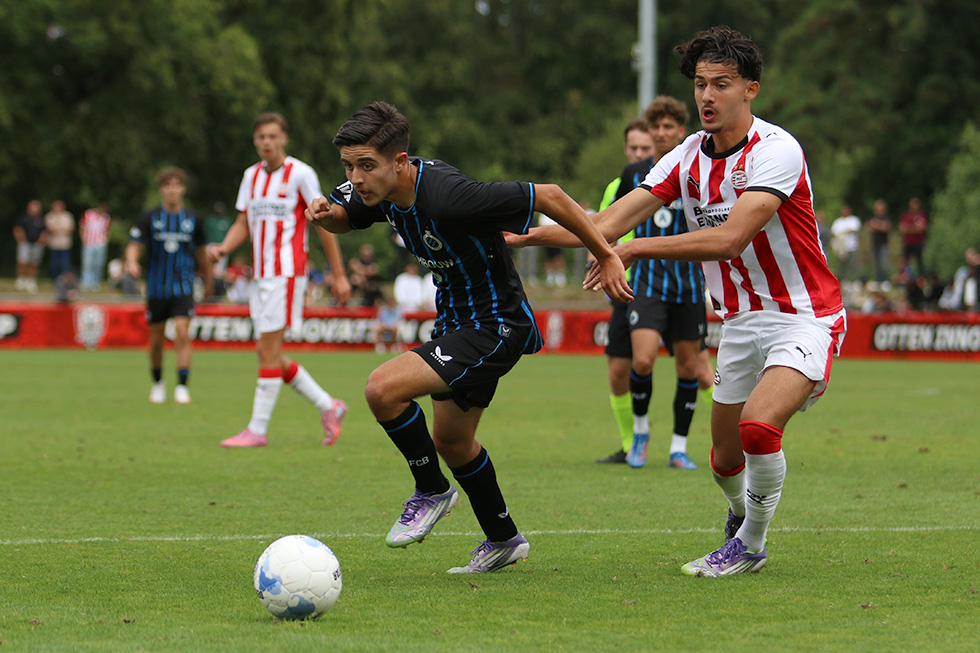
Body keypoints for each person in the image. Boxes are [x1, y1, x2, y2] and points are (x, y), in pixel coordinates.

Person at [512, 26, 845, 577]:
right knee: (723, 460)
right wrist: (524, 233)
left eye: (722, 84)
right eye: (700, 84)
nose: (708, 96)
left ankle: (751, 546)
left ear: (751, 90)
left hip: (804, 317)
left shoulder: (778, 151)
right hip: (739, 322)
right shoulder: (685, 156)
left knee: (759, 428)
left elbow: (729, 238)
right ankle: (740, 516)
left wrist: (633, 248)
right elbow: (605, 225)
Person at [305, 101, 631, 573]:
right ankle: (504, 539)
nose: (354, 178)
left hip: (495, 326)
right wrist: (324, 212)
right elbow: (345, 215)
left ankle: (432, 490)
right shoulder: (380, 189)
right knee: (454, 443)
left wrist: (604, 253)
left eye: (365, 166)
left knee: (382, 389)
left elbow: (553, 196)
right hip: (456, 324)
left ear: (400, 162)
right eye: (348, 167)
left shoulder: (450, 195)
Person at [208, 112, 352, 448]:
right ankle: (329, 405)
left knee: (268, 352)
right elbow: (244, 221)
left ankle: (257, 430)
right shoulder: (250, 176)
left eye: (273, 136)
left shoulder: (301, 173)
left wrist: (339, 274)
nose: (266, 143)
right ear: (255, 141)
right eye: (261, 138)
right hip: (260, 276)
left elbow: (323, 221)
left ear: (284, 138)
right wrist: (224, 248)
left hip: (286, 273)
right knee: (267, 353)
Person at [590, 96, 709, 471]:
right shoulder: (634, 173)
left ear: (680, 131)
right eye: (655, 126)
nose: (661, 133)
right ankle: (640, 433)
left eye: (668, 127)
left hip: (689, 283)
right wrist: (604, 252)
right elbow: (614, 219)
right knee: (641, 360)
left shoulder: (699, 170)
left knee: (689, 368)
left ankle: (679, 447)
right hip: (646, 282)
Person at [594, 119, 655, 464]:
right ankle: (631, 441)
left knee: (700, 369)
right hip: (625, 287)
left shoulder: (669, 179)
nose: (639, 154)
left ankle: (708, 446)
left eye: (645, 149)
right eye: (633, 148)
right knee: (619, 370)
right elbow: (602, 228)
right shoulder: (619, 184)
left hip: (666, 287)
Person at [125, 167, 213, 404]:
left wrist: (209, 278)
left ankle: (182, 387)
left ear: (182, 189)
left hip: (184, 287)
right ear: (161, 189)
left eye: (177, 185)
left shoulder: (193, 219)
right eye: (167, 185)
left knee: (183, 333)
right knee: (156, 339)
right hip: (156, 288)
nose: (172, 190)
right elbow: (134, 244)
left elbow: (202, 252)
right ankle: (157, 383)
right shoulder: (149, 218)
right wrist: (132, 262)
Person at [13, 200, 47, 293]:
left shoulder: (40, 220)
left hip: (37, 245)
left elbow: (44, 232)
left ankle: (31, 281)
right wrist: (20, 240)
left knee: (34, 263)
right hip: (25, 243)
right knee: (22, 261)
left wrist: (42, 241)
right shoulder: (23, 218)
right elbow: (17, 229)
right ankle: (21, 279)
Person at [79, 203, 111, 291]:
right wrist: (83, 240)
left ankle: (95, 282)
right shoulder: (88, 214)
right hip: (89, 243)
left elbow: (107, 231)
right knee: (87, 263)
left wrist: (106, 241)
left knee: (98, 264)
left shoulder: (106, 217)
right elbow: (82, 227)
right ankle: (85, 282)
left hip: (101, 244)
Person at [44, 200, 75, 282]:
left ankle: (65, 280)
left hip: (65, 244)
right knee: (54, 264)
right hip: (54, 244)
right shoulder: (49, 216)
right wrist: (61, 229)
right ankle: (54, 280)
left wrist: (57, 229)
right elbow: (50, 229)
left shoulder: (67, 216)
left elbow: (70, 229)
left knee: (65, 264)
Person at [830, 205, 861, 283]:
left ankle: (854, 280)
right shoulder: (838, 222)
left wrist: (844, 232)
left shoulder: (854, 220)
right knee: (842, 265)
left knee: (853, 264)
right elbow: (834, 232)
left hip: (851, 246)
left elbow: (854, 229)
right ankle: (844, 280)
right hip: (841, 247)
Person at [898, 197, 929, 275]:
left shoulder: (921, 215)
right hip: (908, 243)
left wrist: (908, 228)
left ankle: (921, 278)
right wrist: (914, 227)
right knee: (904, 262)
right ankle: (905, 278)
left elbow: (922, 228)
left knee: (920, 262)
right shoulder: (906, 216)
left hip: (919, 242)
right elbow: (902, 228)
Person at [349, 242, 383, 307]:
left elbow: (373, 270)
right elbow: (353, 265)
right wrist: (366, 271)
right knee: (354, 280)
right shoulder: (357, 259)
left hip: (370, 286)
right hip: (360, 284)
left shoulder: (374, 261)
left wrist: (361, 272)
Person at [866, 198, 891, 284]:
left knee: (884, 263)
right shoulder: (872, 216)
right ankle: (878, 280)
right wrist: (879, 225)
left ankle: (886, 280)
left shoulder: (886, 217)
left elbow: (885, 228)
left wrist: (876, 225)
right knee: (876, 263)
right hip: (875, 243)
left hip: (883, 243)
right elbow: (868, 227)